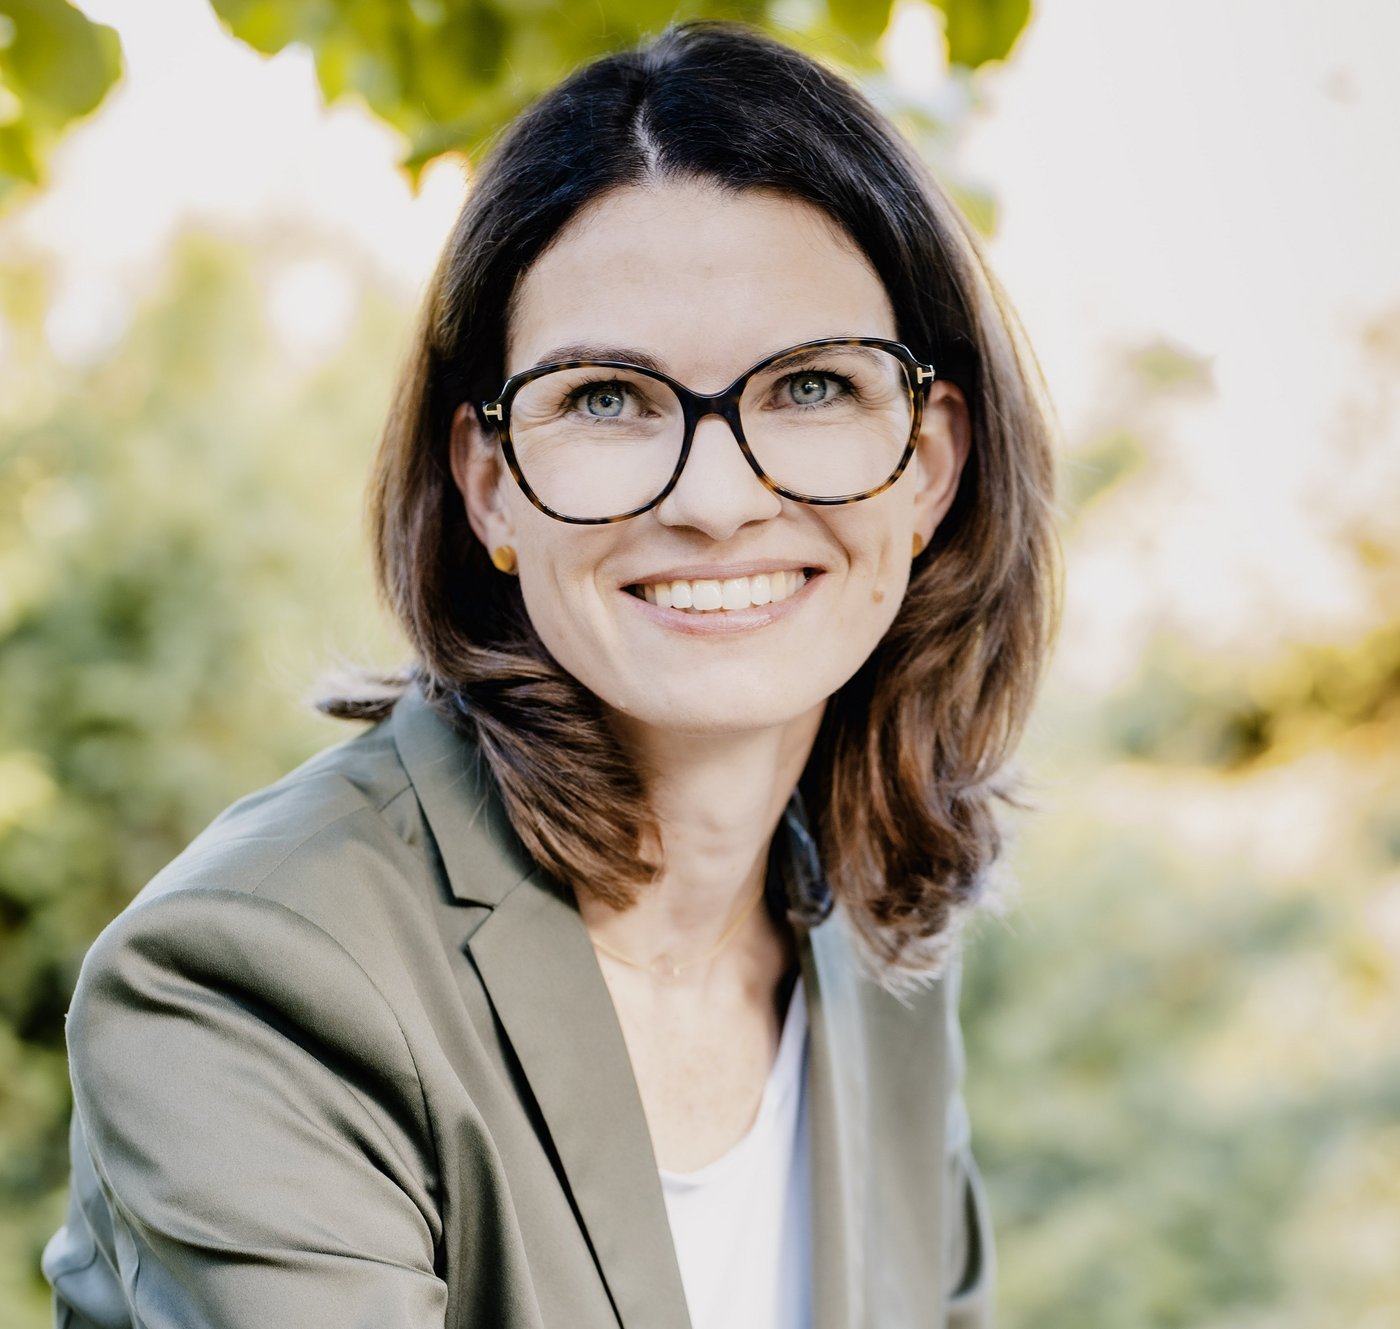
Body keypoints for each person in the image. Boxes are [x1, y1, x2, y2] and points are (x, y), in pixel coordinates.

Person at [41, 20, 1057, 1329]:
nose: (716, 496)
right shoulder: (251, 981)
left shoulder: (874, 943)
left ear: (929, 460)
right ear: (488, 484)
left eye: (809, 385)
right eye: (607, 399)